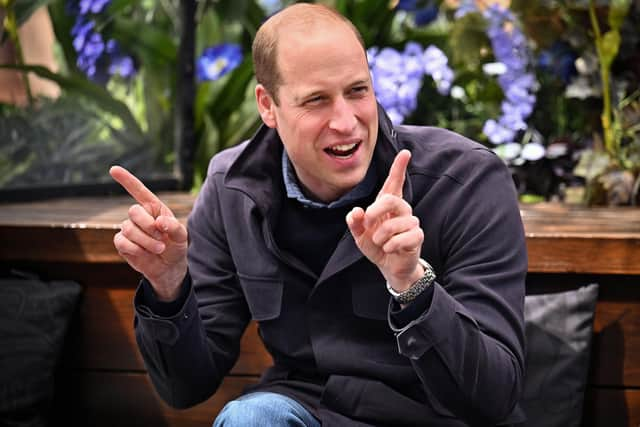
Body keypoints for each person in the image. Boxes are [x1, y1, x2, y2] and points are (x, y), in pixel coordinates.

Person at [109, 3, 527, 426]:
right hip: (307, 409)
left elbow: (492, 398)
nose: (346, 122)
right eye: (316, 101)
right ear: (268, 106)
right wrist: (168, 290)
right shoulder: (232, 188)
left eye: (357, 91)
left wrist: (412, 285)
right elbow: (186, 388)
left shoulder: (466, 179)